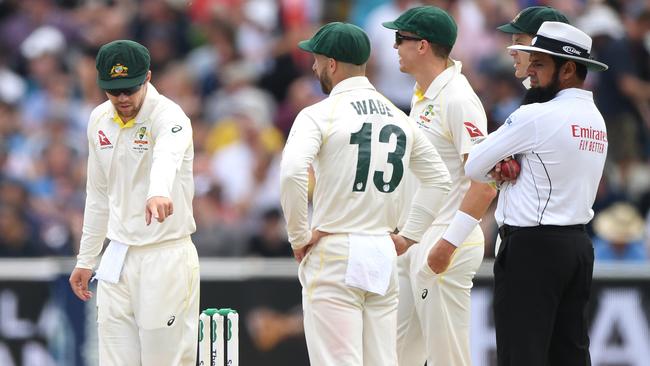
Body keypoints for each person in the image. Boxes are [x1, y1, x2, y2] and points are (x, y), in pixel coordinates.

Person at [280, 22, 452, 366]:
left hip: (335, 246)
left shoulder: (319, 114)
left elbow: (293, 172)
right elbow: (439, 181)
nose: (314, 68)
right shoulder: (399, 116)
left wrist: (299, 236)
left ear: (331, 64)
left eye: (316, 60)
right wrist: (408, 237)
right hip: (382, 250)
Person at [465, 22, 609, 366]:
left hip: (532, 248)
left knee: (522, 355)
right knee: (570, 354)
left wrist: (503, 166)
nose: (530, 72)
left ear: (568, 69)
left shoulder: (535, 115)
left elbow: (473, 165)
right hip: (577, 246)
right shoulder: (596, 118)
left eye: (540, 65)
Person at [68, 40, 199, 366]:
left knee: (164, 361)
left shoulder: (170, 116)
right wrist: (86, 258)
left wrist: (158, 192)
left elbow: (167, 157)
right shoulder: (99, 119)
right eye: (114, 91)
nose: (123, 99)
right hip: (117, 256)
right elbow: (98, 195)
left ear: (149, 77)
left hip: (165, 254)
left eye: (130, 89)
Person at [382, 6, 497, 365]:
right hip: (417, 237)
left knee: (448, 357)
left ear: (423, 46)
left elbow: (486, 183)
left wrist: (446, 246)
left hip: (445, 240)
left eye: (401, 39)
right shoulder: (423, 95)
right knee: (399, 355)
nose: (394, 47)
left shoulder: (458, 99)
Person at [497, 6, 569, 84]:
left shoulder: (565, 95)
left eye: (519, 44)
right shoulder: (537, 90)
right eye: (513, 43)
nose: (511, 52)